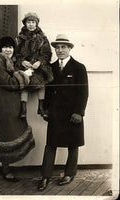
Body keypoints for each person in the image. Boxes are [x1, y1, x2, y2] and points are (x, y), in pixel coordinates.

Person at [38, 34, 89, 190]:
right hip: (55, 113)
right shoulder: (51, 68)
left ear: (69, 48)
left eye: (63, 47)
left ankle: (69, 174)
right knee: (51, 144)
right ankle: (45, 177)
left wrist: (79, 112)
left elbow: (83, 92)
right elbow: (46, 91)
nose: (60, 50)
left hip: (72, 113)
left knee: (73, 144)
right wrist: (45, 109)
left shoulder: (79, 67)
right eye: (57, 47)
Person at [0, 36, 35, 182]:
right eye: (5, 47)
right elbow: (9, 83)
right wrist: (24, 75)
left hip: (11, 106)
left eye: (11, 47)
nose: (9, 49)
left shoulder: (6, 62)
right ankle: (5, 171)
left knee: (10, 137)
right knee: (7, 139)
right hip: (4, 108)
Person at [15, 12, 53, 118]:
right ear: (25, 24)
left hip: (37, 66)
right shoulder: (20, 38)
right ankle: (23, 109)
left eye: (33, 22)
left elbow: (47, 54)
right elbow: (16, 54)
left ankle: (41, 107)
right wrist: (22, 61)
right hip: (24, 66)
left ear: (36, 24)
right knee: (23, 81)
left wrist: (39, 62)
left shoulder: (43, 38)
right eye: (28, 22)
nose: (31, 24)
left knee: (42, 80)